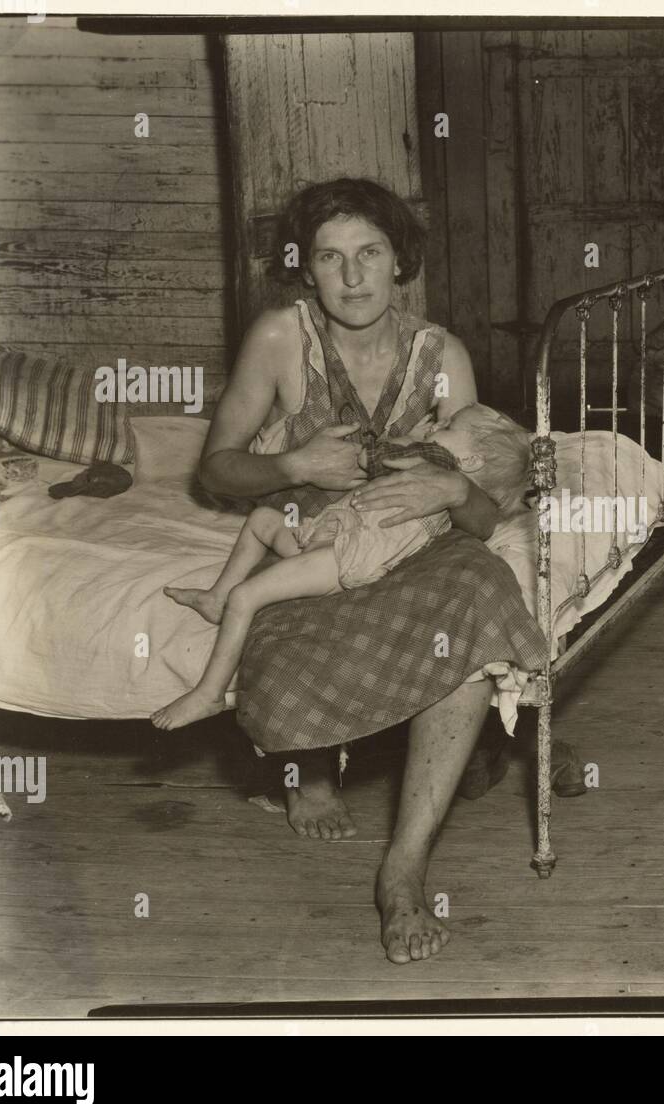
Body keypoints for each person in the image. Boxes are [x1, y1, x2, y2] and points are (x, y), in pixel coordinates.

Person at [197, 177, 549, 964]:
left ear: (401, 263)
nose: (351, 277)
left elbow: (493, 508)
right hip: (312, 535)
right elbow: (215, 472)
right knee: (282, 624)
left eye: (370, 254)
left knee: (477, 598)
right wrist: (293, 461)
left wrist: (455, 487)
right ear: (306, 269)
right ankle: (310, 767)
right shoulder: (280, 340)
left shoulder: (441, 356)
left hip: (416, 541)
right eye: (330, 258)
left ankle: (403, 868)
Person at [152, 404, 531, 732]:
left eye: (448, 428)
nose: (434, 428)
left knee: (246, 596)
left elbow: (374, 458)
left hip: (343, 557)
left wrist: (379, 445)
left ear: (471, 461)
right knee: (263, 520)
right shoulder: (440, 468)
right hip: (329, 536)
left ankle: (209, 693)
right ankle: (216, 599)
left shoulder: (437, 464)